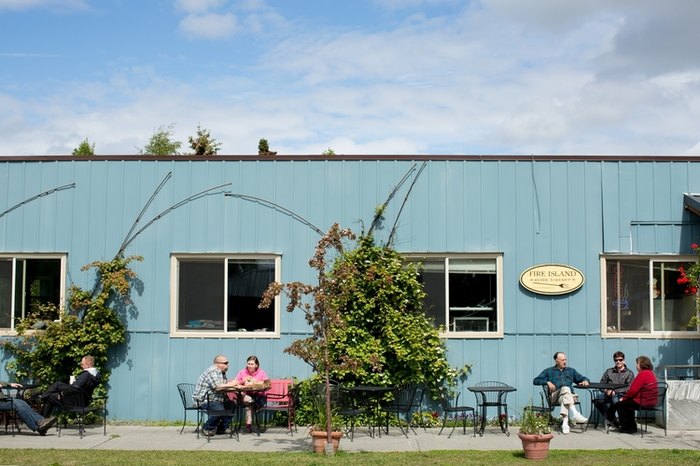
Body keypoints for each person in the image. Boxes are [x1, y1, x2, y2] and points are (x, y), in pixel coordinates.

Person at [533, 351, 590, 434]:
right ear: (556, 361)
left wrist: (585, 381)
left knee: (565, 395)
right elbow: (535, 380)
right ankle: (575, 413)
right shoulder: (549, 371)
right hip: (554, 397)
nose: (565, 362)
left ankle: (565, 424)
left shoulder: (571, 371)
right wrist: (547, 382)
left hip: (568, 397)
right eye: (562, 360)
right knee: (566, 389)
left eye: (565, 360)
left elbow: (582, 378)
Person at [193, 354, 238, 436]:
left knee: (232, 405)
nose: (227, 365)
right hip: (205, 400)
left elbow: (223, 387)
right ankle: (207, 427)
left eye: (227, 363)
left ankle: (222, 428)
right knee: (219, 410)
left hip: (216, 400)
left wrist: (236, 387)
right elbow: (217, 387)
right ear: (218, 363)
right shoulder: (212, 371)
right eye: (225, 363)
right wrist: (233, 383)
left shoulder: (222, 373)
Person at [612, 355, 658, 434]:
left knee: (622, 404)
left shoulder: (642, 375)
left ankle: (627, 427)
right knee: (628, 403)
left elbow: (632, 390)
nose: (636, 366)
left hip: (643, 402)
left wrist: (623, 398)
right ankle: (632, 426)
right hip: (652, 402)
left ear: (641, 365)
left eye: (637, 364)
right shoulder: (651, 374)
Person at [595, 351, 634, 428]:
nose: (618, 362)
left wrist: (614, 391)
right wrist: (606, 391)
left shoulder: (629, 373)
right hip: (608, 394)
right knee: (598, 400)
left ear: (624, 360)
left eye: (620, 359)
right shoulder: (609, 371)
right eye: (616, 360)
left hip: (622, 395)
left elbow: (629, 387)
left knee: (615, 400)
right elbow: (601, 384)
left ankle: (620, 423)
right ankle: (612, 419)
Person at [234, 355, 270, 433]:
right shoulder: (242, 372)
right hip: (246, 395)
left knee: (249, 405)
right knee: (248, 402)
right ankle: (249, 425)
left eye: (252, 364)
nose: (249, 366)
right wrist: (244, 380)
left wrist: (255, 381)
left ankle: (248, 426)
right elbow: (235, 382)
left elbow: (267, 383)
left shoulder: (261, 372)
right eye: (248, 364)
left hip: (258, 396)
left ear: (256, 365)